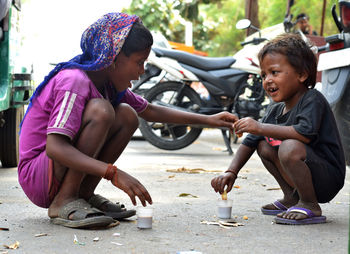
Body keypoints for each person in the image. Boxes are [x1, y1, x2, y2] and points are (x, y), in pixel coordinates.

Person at [18, 12, 238, 229]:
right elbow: (55, 148)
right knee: (102, 111)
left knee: (126, 114)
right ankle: (63, 201)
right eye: (139, 62)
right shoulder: (74, 81)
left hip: (52, 171)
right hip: (38, 176)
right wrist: (113, 173)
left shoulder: (107, 84)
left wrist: (211, 120)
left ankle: (82, 196)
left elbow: (150, 110)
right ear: (113, 59)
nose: (142, 71)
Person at [211, 33, 345, 225]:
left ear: (302, 74)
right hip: (306, 177)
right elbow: (250, 142)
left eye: (274, 72)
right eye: (264, 75)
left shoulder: (312, 99)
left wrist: (260, 127)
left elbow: (304, 134)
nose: (267, 80)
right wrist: (231, 172)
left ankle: (310, 204)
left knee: (289, 147)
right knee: (263, 145)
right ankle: (292, 197)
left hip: (327, 178)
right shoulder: (275, 109)